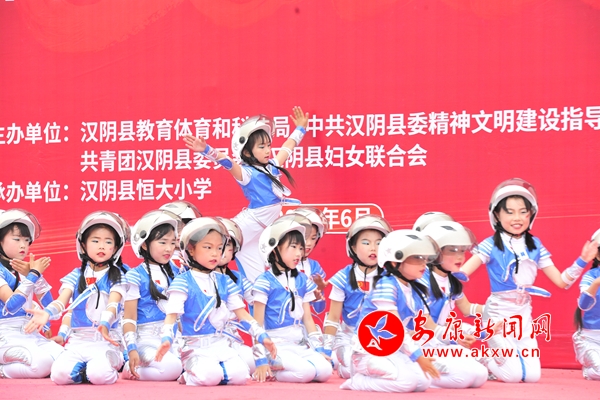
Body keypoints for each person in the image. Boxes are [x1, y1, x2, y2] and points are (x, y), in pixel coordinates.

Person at [456, 178, 598, 383]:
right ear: (496, 215)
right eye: (509, 212)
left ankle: (496, 361)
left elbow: (562, 282)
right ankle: (483, 360)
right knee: (512, 376)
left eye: (523, 211)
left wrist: (582, 260)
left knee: (532, 377)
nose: (517, 218)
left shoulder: (536, 245)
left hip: (524, 315)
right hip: (497, 315)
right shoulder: (490, 245)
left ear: (531, 214)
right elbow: (463, 273)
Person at [184, 108, 309, 283]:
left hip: (257, 234)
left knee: (257, 281)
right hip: (245, 227)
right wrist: (206, 149)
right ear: (247, 152)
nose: (268, 150)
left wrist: (300, 128)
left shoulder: (273, 166)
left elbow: (288, 147)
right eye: (261, 147)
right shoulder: (247, 173)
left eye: (268, 145)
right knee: (213, 254)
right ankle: (190, 280)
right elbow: (227, 162)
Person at [154, 217, 277, 386]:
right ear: (191, 250)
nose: (215, 253)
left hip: (221, 344)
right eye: (208, 247)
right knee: (209, 377)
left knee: (241, 376)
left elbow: (242, 314)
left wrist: (262, 336)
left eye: (219, 248)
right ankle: (188, 376)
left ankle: (215, 372)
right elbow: (172, 317)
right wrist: (166, 339)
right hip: (195, 347)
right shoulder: (182, 282)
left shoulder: (225, 281)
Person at [25, 211, 129, 385]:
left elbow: (113, 304)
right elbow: (61, 302)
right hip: (78, 342)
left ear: (116, 248)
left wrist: (105, 324)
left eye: (108, 242)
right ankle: (83, 372)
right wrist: (47, 313)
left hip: (106, 341)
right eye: (95, 241)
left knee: (100, 375)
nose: (102, 246)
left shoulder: (118, 276)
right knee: (58, 375)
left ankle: (102, 367)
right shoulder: (75, 275)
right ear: (83, 245)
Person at [340, 229, 441, 392]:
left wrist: (456, 337)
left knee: (423, 382)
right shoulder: (386, 284)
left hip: (393, 350)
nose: (424, 263)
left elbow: (424, 327)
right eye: (416, 258)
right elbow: (396, 328)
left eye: (424, 258)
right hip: (368, 352)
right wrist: (417, 356)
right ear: (394, 261)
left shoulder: (415, 289)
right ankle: (357, 381)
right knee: (407, 382)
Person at [252, 214, 333, 383]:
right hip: (275, 346)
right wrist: (260, 359)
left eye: (300, 248)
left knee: (325, 371)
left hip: (299, 344)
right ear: (274, 249)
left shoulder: (303, 280)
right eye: (293, 247)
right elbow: (256, 324)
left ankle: (287, 367)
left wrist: (319, 349)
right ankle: (271, 371)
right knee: (306, 373)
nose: (299, 253)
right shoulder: (264, 282)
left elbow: (308, 319)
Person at [419, 220, 488, 388]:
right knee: (464, 377)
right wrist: (454, 336)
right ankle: (416, 372)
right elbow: (425, 325)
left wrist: (496, 311)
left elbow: (467, 308)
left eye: (462, 251)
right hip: (418, 343)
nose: (460, 257)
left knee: (480, 375)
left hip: (438, 340)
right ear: (434, 253)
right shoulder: (420, 279)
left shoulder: (452, 280)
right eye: (452, 250)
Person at [323, 215, 392, 378]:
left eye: (379, 243)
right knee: (352, 369)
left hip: (379, 338)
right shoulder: (343, 278)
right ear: (352, 247)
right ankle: (341, 363)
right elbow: (333, 317)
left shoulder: (391, 278)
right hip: (348, 338)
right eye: (366, 243)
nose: (373, 248)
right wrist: (326, 350)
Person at [121, 210, 184, 381]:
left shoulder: (178, 273)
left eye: (172, 243)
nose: (169, 248)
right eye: (162, 242)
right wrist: (132, 348)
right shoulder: (134, 276)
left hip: (174, 340)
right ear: (144, 244)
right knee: (172, 368)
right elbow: (129, 317)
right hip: (145, 342)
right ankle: (130, 369)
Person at [0, 209, 59, 378]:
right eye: (17, 239)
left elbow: (52, 309)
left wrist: (35, 277)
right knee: (42, 364)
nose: (23, 245)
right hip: (5, 336)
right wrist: (33, 274)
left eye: (27, 240)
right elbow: (11, 306)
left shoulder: (25, 271)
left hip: (30, 336)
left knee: (65, 359)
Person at [290, 207, 329, 316]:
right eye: (305, 237)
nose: (309, 243)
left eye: (313, 238)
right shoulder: (280, 265)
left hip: (308, 323)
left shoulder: (314, 266)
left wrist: (319, 290)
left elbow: (319, 310)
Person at [573, 229, 600, 380]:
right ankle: (588, 371)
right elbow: (583, 305)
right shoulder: (591, 276)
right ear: (597, 255)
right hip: (591, 339)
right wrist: (596, 283)